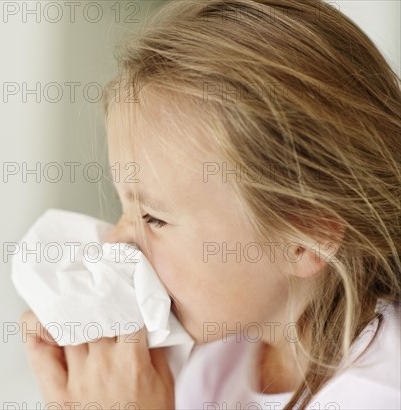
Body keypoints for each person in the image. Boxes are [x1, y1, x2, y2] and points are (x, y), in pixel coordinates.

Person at [21, 1, 401, 408]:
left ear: (303, 239)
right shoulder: (222, 358)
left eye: (153, 218)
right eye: (125, 207)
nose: (115, 242)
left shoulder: (377, 393)